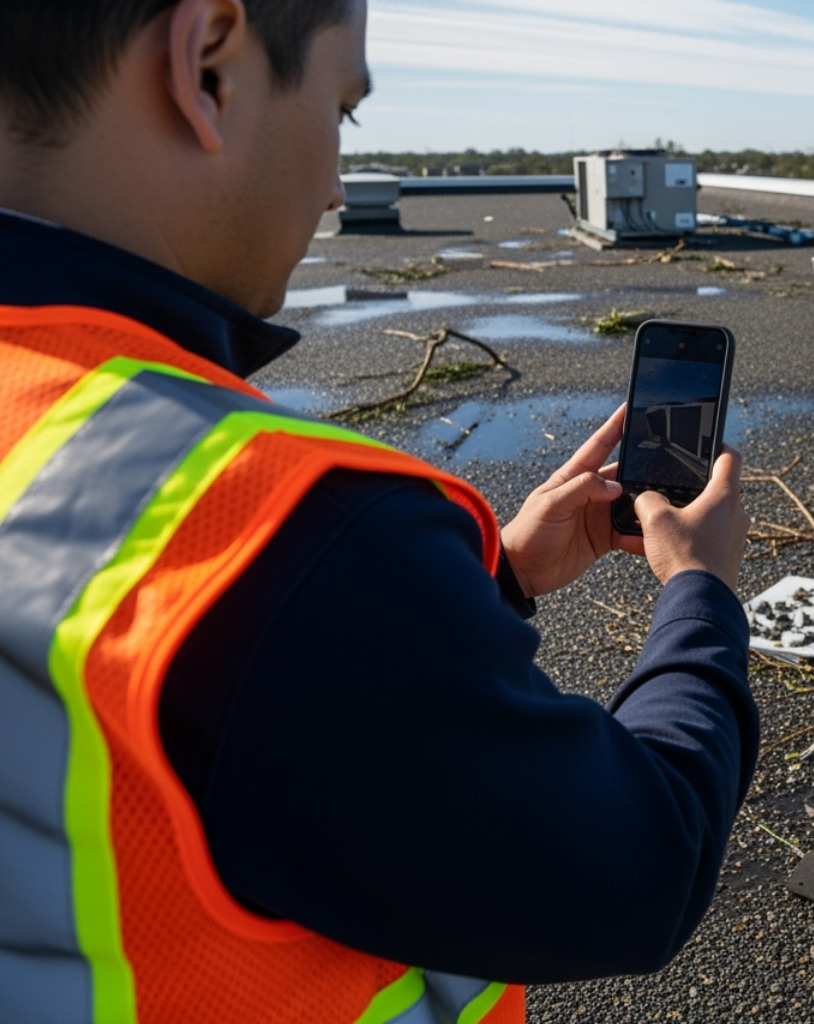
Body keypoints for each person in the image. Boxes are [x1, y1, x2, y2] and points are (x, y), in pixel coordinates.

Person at [0, 1, 757, 1022]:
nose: (333, 186)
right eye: (343, 111)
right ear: (209, 63)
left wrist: (499, 580)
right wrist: (702, 594)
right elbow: (640, 864)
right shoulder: (286, 536)